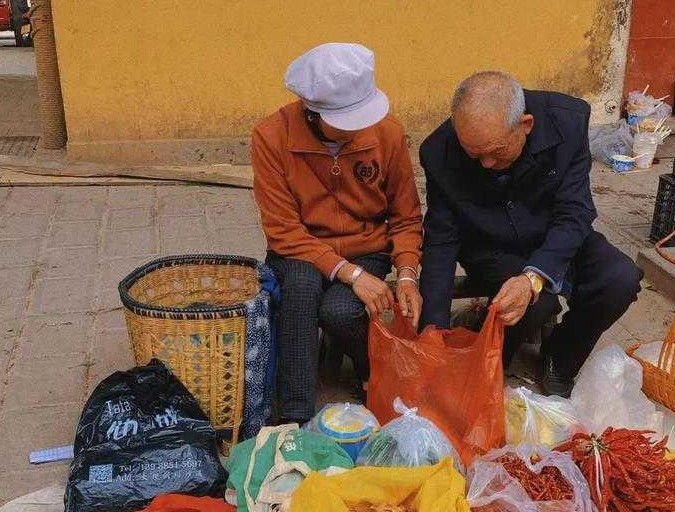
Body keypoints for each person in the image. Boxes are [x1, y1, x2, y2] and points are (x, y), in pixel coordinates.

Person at [419, 70, 643, 396]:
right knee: (534, 306)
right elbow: (441, 240)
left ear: (525, 125)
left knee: (619, 278)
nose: (485, 164)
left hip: (555, 236)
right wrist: (433, 332)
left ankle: (561, 357)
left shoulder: (567, 122)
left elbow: (575, 213)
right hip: (491, 246)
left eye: (495, 151)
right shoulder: (439, 151)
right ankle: (482, 338)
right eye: (474, 153)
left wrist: (533, 277)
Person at [252, 43, 423, 425]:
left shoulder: (388, 133)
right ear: (312, 111)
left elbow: (406, 215)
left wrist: (408, 272)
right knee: (298, 290)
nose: (360, 129)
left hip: (367, 248)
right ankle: (294, 418)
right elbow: (283, 230)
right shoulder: (270, 136)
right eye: (346, 121)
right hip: (299, 248)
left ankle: (377, 377)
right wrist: (353, 276)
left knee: (340, 311)